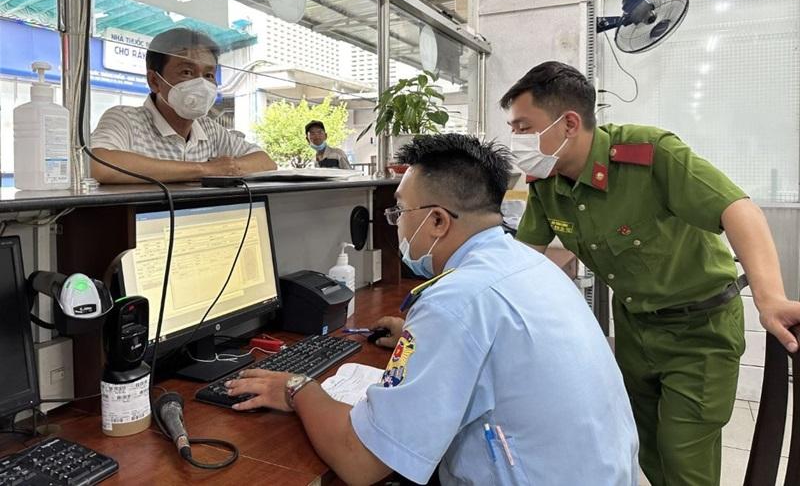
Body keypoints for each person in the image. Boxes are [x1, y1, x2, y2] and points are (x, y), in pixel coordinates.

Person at [226, 134, 638, 485]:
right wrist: (418, 336)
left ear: (438, 221)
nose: (397, 222)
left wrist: (296, 388)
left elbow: (360, 462)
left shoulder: (455, 300)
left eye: (400, 211)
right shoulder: (524, 264)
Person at [501, 60, 800, 485]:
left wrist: (770, 298)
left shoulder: (648, 154)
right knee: (648, 448)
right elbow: (525, 258)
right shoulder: (547, 183)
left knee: (684, 457)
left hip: (701, 330)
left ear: (568, 123)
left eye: (523, 127)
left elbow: (738, 209)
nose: (516, 140)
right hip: (635, 329)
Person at [90, 28, 276, 184]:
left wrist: (227, 168)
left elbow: (265, 162)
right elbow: (100, 164)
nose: (201, 84)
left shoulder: (209, 128)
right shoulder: (125, 119)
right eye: (187, 72)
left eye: (209, 75)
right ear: (154, 81)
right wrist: (205, 169)